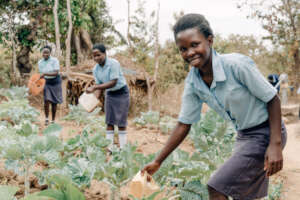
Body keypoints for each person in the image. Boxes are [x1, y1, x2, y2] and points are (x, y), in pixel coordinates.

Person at [142, 14, 287, 200]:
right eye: (183, 49)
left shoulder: (236, 65)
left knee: (217, 187)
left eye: (195, 44)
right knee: (246, 196)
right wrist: (157, 161)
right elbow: (183, 124)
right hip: (244, 135)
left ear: (209, 40)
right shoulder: (193, 83)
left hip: (267, 132)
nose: (190, 53)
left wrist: (275, 145)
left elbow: (272, 99)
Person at [86, 43, 130, 149]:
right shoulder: (95, 69)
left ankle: (123, 149)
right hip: (110, 94)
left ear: (105, 53)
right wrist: (92, 102)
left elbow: (113, 82)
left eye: (99, 55)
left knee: (121, 123)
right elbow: (100, 88)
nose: (96, 58)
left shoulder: (113, 64)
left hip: (121, 93)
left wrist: (95, 87)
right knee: (109, 122)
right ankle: (110, 148)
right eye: (94, 56)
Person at [38, 45, 62, 125]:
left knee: (54, 102)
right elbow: (41, 74)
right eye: (44, 53)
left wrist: (44, 73)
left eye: (47, 53)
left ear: (50, 53)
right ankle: (47, 118)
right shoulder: (40, 62)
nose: (45, 54)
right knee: (47, 100)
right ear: (42, 53)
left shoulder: (55, 60)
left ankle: (53, 120)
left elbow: (55, 72)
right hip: (47, 82)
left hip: (55, 81)